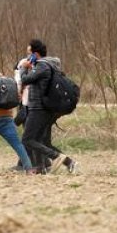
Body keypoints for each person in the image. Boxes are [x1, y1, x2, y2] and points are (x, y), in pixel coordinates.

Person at [19, 39, 77, 174]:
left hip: (38, 109)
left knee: (27, 139)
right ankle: (41, 168)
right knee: (38, 140)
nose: (27, 57)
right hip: (41, 108)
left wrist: (23, 67)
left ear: (35, 54)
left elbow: (25, 79)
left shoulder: (42, 66)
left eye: (29, 53)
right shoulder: (43, 66)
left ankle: (60, 158)